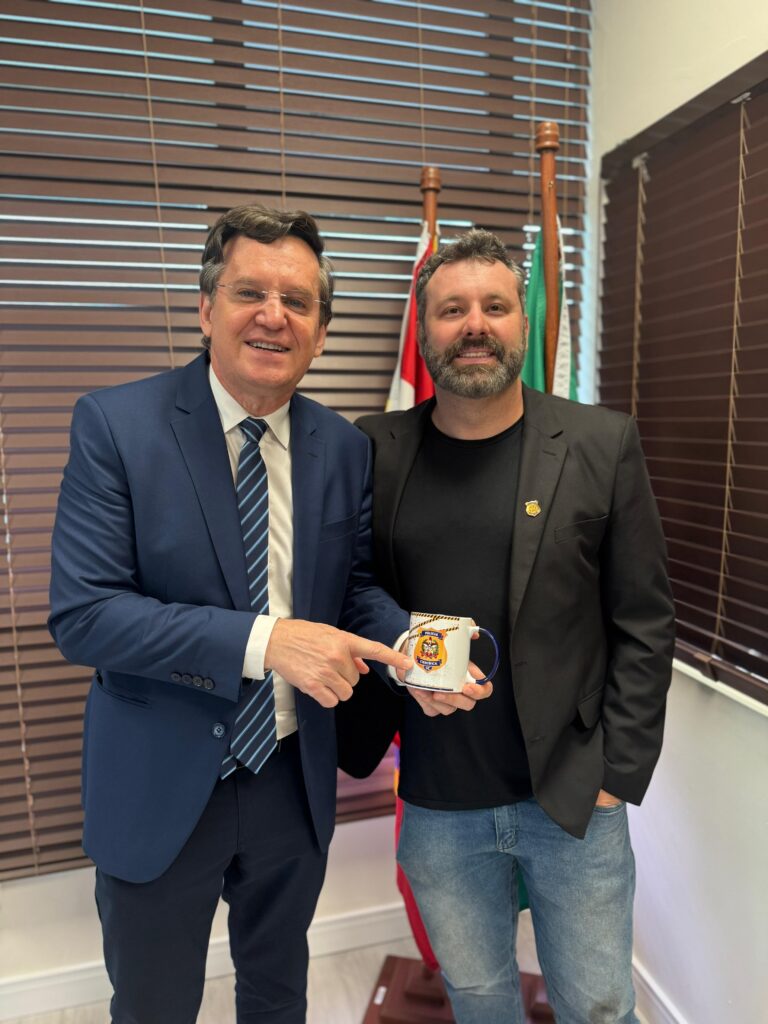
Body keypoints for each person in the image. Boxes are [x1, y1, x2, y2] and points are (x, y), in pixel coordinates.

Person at [47, 204, 419, 1024]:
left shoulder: (344, 448)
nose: (273, 315)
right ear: (206, 307)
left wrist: (413, 646)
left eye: (298, 301)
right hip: (161, 779)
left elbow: (351, 590)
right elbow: (86, 613)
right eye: (250, 291)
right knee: (154, 1007)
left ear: (321, 332)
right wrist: (266, 642)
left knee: (279, 998)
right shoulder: (116, 425)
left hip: (291, 775)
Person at [348, 229, 676, 1024]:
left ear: (522, 323)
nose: (475, 325)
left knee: (598, 1006)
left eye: (494, 306)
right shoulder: (374, 448)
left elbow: (644, 619)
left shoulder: (600, 443)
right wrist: (400, 649)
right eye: (452, 309)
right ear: (424, 329)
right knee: (479, 1000)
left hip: (573, 794)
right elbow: (352, 586)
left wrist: (616, 775)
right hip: (438, 800)